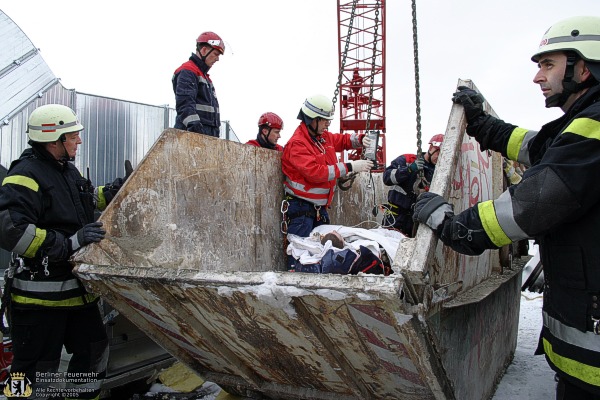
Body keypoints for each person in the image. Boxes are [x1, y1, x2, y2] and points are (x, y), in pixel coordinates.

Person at [412, 16, 600, 400]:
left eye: (549, 64)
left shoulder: (592, 130)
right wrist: (481, 123)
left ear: (584, 68)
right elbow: (533, 145)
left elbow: (529, 207)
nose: (537, 76)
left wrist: (452, 226)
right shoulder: (581, 126)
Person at [0, 104, 126, 398]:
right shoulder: (25, 174)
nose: (78, 141)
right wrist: (70, 243)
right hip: (39, 301)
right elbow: (12, 231)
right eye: (73, 136)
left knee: (94, 356)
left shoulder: (66, 170)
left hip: (78, 296)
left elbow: (87, 199)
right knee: (33, 372)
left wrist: (118, 189)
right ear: (53, 138)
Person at [281, 94, 374, 269]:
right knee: (300, 256)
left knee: (321, 256)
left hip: (318, 210)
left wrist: (360, 139)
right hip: (301, 212)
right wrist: (350, 166)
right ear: (311, 119)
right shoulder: (298, 144)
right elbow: (316, 173)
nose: (327, 124)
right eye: (324, 120)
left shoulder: (321, 138)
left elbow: (342, 140)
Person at [382, 134, 444, 237]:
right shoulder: (407, 160)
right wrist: (409, 170)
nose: (439, 157)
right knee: (389, 245)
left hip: (414, 221)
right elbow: (387, 177)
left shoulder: (436, 173)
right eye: (438, 152)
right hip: (395, 216)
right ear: (431, 148)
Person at [172, 31, 225, 138]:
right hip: (192, 135)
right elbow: (185, 105)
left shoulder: (205, 77)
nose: (217, 59)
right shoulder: (188, 71)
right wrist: (196, 131)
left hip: (206, 135)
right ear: (204, 50)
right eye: (215, 54)